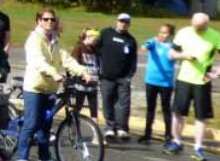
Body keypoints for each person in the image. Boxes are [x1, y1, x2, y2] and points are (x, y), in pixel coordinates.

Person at [15, 8, 91, 161]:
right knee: (32, 123)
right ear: (39, 21)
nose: (50, 22)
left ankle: (44, 158)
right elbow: (38, 61)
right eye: (46, 19)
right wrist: (54, 73)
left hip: (50, 88)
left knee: (46, 125)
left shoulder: (56, 41)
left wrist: (83, 71)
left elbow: (67, 60)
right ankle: (22, 158)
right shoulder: (34, 40)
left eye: (52, 19)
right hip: (34, 88)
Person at [165, 13, 220, 161]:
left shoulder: (214, 35)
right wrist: (183, 56)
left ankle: (198, 147)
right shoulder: (184, 33)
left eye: (201, 27)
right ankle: (176, 141)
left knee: (201, 116)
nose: (198, 30)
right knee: (178, 113)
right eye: (196, 27)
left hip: (202, 81)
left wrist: (218, 73)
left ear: (207, 24)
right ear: (191, 22)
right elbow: (171, 53)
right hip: (184, 79)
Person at [98, 13, 138, 141]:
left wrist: (129, 75)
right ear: (117, 21)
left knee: (123, 104)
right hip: (106, 76)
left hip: (123, 78)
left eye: (126, 22)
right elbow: (96, 50)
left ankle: (122, 128)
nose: (123, 24)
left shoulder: (130, 40)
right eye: (121, 21)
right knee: (107, 101)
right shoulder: (106, 33)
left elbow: (133, 60)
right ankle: (110, 127)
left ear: (129, 24)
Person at [140, 23, 177, 145]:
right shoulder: (153, 42)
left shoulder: (173, 46)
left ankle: (168, 134)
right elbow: (144, 47)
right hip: (151, 80)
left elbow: (179, 54)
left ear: (170, 34)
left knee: (166, 108)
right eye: (160, 32)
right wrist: (148, 44)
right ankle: (147, 133)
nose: (162, 35)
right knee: (150, 107)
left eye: (165, 33)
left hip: (166, 82)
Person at [69, 29, 101, 119]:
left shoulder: (95, 49)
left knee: (94, 109)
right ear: (88, 37)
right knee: (78, 106)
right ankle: (74, 124)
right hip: (81, 84)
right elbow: (73, 64)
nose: (96, 42)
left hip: (93, 83)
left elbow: (98, 64)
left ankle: (95, 126)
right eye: (94, 39)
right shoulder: (79, 47)